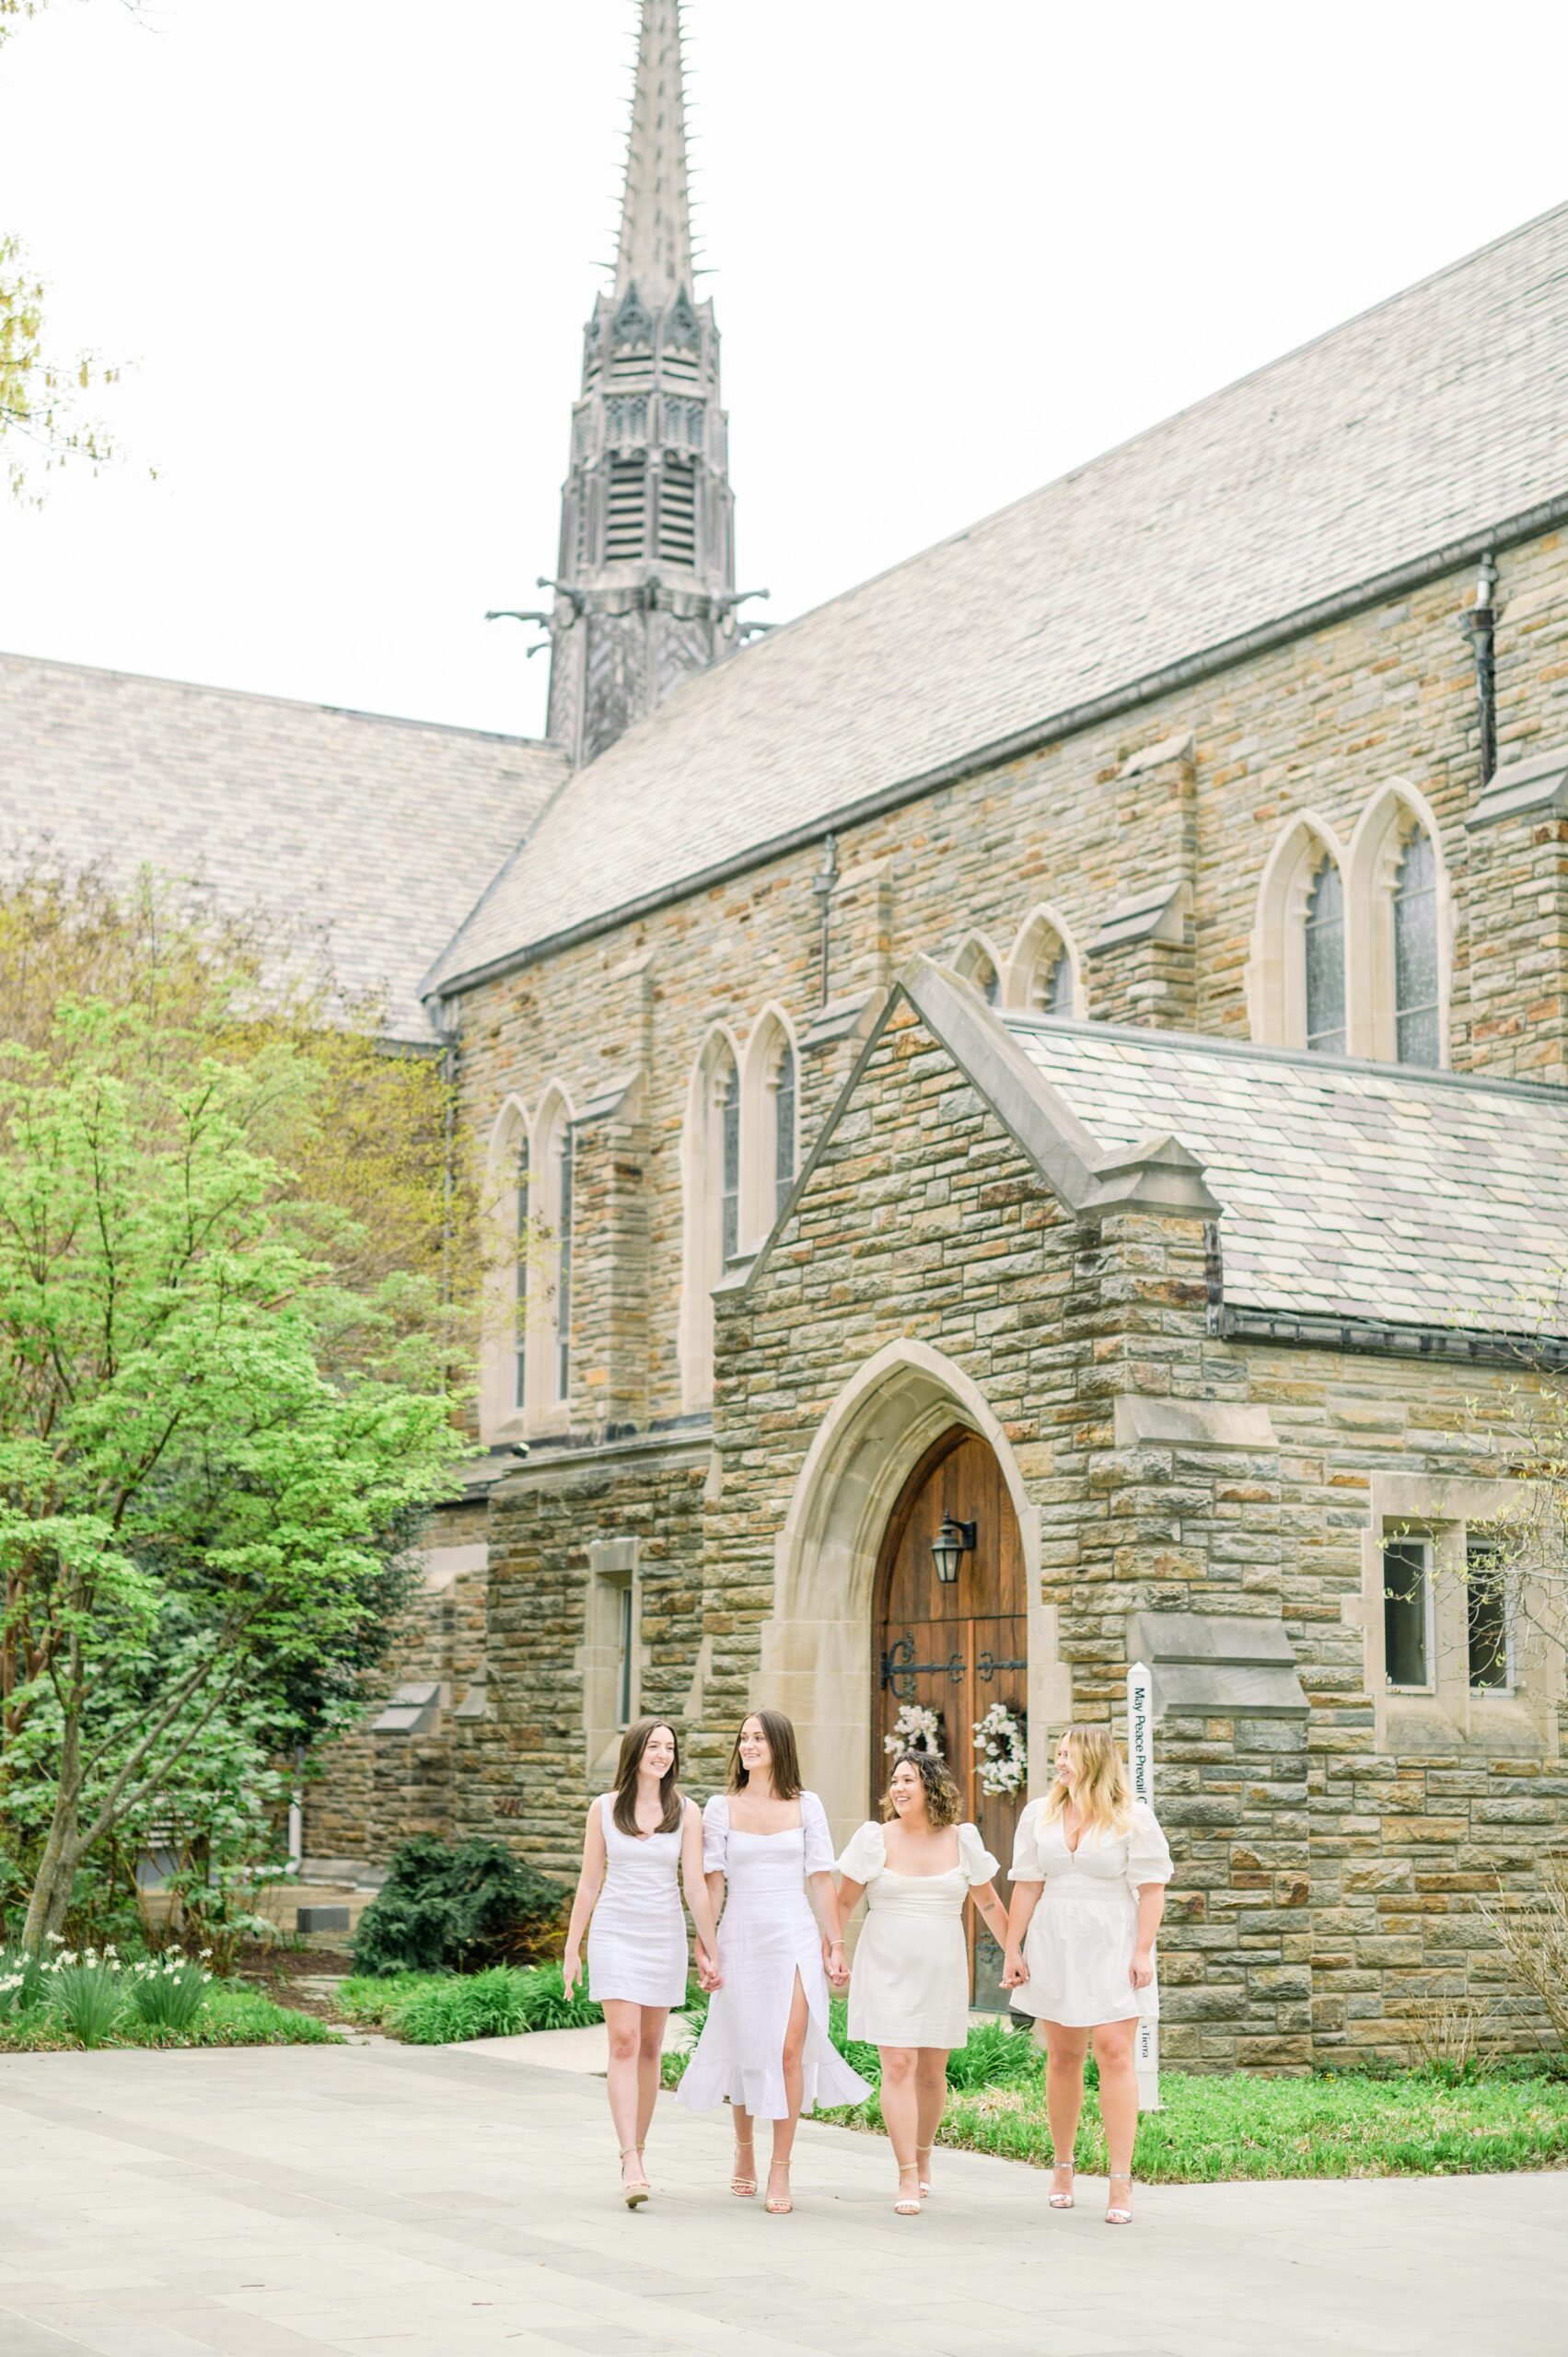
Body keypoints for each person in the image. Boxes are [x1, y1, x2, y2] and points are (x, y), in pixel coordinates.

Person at [676, 1708, 870, 2214]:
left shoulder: (808, 1806)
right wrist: (706, 1943)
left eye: (758, 1737)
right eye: (743, 1738)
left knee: (789, 2048)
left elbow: (821, 1879)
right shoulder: (721, 1807)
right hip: (741, 1935)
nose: (748, 1745)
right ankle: (744, 2151)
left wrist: (836, 1944)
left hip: (794, 1935)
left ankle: (780, 2169)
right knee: (746, 2044)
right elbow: (713, 1883)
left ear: (779, 1745)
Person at [1002, 1724, 1173, 2225]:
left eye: (1068, 1755)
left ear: (1094, 1760)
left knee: (1116, 2052)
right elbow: (1027, 1885)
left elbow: (1153, 1888)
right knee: (1063, 2055)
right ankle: (1062, 2169)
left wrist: (1143, 1952)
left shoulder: (1131, 1817)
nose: (1059, 1763)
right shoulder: (1041, 1813)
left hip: (1113, 1941)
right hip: (1056, 1940)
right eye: (1057, 1754)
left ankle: (1121, 2181)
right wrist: (1014, 1946)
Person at [834, 1751, 1011, 2214]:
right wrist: (833, 1948)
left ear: (932, 1786)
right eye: (894, 1780)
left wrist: (1015, 1952)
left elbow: (989, 1905)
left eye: (908, 1780)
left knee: (932, 2074)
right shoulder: (874, 1839)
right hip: (886, 1964)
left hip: (941, 1967)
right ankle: (906, 2175)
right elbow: (842, 1903)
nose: (898, 1788)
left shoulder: (962, 1839)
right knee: (898, 2066)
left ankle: (924, 2154)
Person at [563, 1717, 722, 2208]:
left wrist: (710, 1947)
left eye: (669, 1747)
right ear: (634, 1751)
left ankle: (642, 2147)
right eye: (654, 1746)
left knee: (652, 2046)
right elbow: (590, 1881)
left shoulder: (686, 1810)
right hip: (615, 1931)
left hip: (664, 1932)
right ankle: (629, 2157)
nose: (663, 1754)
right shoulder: (604, 1809)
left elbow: (695, 1885)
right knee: (625, 2040)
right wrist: (574, 1947)